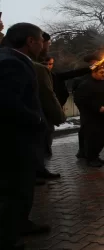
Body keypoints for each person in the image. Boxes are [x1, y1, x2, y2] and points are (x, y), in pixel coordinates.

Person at [0, 23, 50, 249]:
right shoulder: (11, 63)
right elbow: (8, 104)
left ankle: (21, 223)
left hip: (19, 140)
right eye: (41, 40)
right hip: (14, 142)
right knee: (14, 190)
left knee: (23, 187)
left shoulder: (14, 59)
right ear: (30, 42)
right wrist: (37, 119)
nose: (43, 45)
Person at [33, 32, 66, 176]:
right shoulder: (36, 69)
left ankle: (41, 169)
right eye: (46, 42)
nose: (48, 45)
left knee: (46, 143)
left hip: (47, 117)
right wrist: (59, 115)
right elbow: (47, 94)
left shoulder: (53, 75)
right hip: (37, 115)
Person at [73, 66, 104, 168]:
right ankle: (90, 159)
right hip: (91, 117)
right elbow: (80, 99)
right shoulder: (85, 85)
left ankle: (96, 156)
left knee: (103, 138)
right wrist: (97, 107)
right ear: (93, 73)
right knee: (92, 139)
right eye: (101, 72)